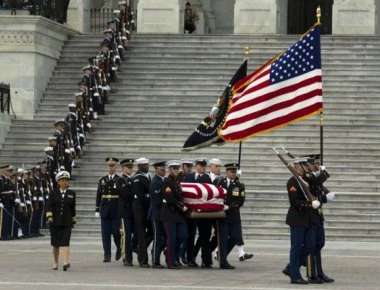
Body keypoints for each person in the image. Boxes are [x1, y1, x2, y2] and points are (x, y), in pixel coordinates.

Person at [282, 157, 317, 284]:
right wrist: (309, 204)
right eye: (304, 165)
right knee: (296, 247)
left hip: (308, 218)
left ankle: (291, 267)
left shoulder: (305, 180)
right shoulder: (292, 182)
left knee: (310, 245)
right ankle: (295, 276)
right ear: (297, 166)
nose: (307, 167)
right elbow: (294, 202)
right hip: (297, 218)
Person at [183, 159, 212, 268]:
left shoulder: (207, 178)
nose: (203, 167)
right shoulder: (188, 176)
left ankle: (202, 259)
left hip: (202, 211)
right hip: (190, 211)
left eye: (204, 166)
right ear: (197, 166)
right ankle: (190, 258)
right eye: (201, 165)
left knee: (203, 236)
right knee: (189, 236)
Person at [216, 163, 246, 269]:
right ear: (227, 172)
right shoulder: (219, 182)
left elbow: (241, 200)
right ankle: (223, 261)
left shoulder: (239, 185)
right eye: (232, 172)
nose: (234, 174)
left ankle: (221, 255)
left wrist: (230, 206)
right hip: (222, 216)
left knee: (236, 237)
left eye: (235, 172)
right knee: (223, 239)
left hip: (234, 215)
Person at [46, 171, 76, 271]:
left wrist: (73, 220)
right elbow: (49, 206)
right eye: (62, 180)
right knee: (55, 244)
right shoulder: (53, 193)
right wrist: (49, 217)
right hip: (54, 222)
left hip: (67, 222)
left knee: (66, 242)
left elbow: (73, 209)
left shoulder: (72, 194)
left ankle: (66, 262)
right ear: (58, 182)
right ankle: (55, 262)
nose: (64, 182)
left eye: (66, 180)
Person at [161, 160, 188, 269]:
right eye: (174, 168)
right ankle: (171, 261)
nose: (177, 170)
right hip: (169, 213)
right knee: (172, 238)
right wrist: (181, 206)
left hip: (178, 214)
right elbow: (169, 198)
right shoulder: (167, 182)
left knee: (183, 236)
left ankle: (174, 256)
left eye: (178, 168)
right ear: (170, 169)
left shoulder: (177, 181)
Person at [95, 157, 121, 263]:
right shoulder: (102, 180)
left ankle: (119, 248)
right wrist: (97, 209)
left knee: (116, 232)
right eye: (109, 166)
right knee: (105, 233)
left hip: (116, 209)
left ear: (116, 167)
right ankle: (107, 254)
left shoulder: (119, 180)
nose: (111, 168)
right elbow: (99, 195)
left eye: (113, 166)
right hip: (105, 209)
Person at [132, 157, 153, 267]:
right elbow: (139, 197)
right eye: (144, 165)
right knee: (141, 235)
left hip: (148, 209)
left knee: (152, 232)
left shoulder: (149, 176)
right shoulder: (137, 178)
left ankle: (139, 248)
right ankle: (142, 260)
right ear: (139, 166)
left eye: (147, 165)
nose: (147, 167)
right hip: (140, 210)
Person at [116, 158, 135, 266]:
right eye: (128, 167)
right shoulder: (120, 180)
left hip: (133, 212)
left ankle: (132, 252)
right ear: (123, 168)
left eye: (131, 167)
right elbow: (126, 195)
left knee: (135, 234)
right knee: (126, 235)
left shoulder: (132, 179)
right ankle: (126, 257)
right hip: (125, 212)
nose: (130, 169)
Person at [148, 161, 167, 268]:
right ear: (156, 170)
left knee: (164, 237)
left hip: (162, 215)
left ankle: (155, 253)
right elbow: (157, 201)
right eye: (161, 169)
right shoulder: (155, 182)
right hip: (156, 214)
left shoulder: (163, 181)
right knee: (158, 237)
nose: (163, 171)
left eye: (164, 169)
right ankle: (155, 261)